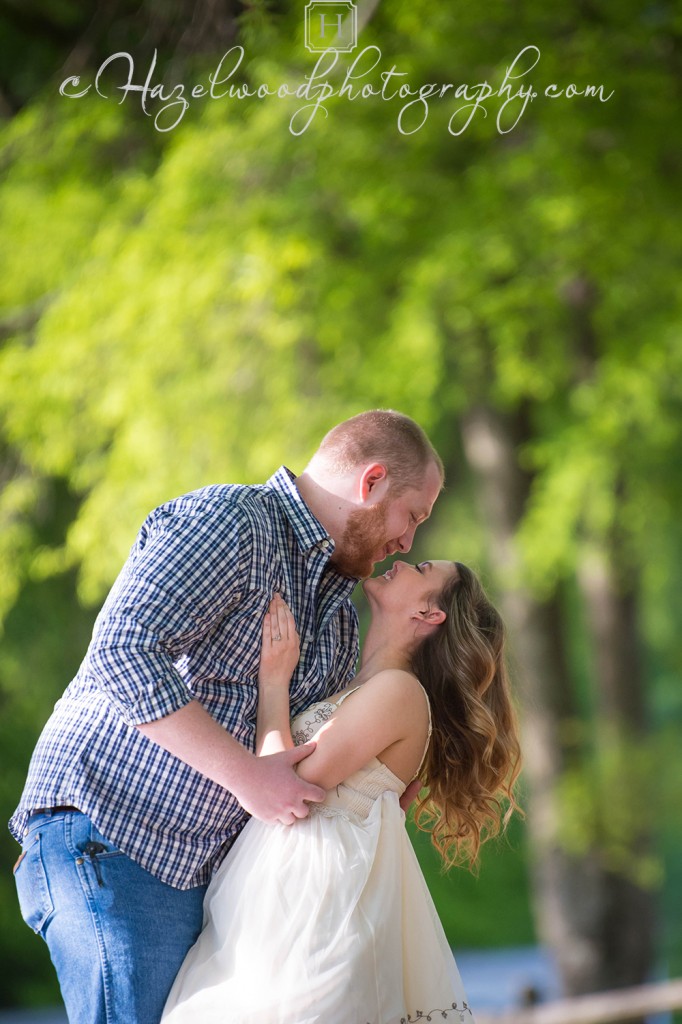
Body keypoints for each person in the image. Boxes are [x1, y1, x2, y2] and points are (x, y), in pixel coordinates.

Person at [10, 410, 444, 1024]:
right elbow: (123, 648)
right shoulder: (231, 523)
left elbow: (310, 758)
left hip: (207, 882)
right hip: (111, 836)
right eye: (413, 516)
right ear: (371, 481)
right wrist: (247, 777)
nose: (408, 541)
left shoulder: (342, 618)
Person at [161, 560, 522, 1024]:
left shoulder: (401, 692)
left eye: (423, 569)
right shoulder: (359, 687)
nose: (404, 563)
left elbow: (289, 786)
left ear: (429, 615)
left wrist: (274, 681)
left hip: (319, 906)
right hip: (276, 895)